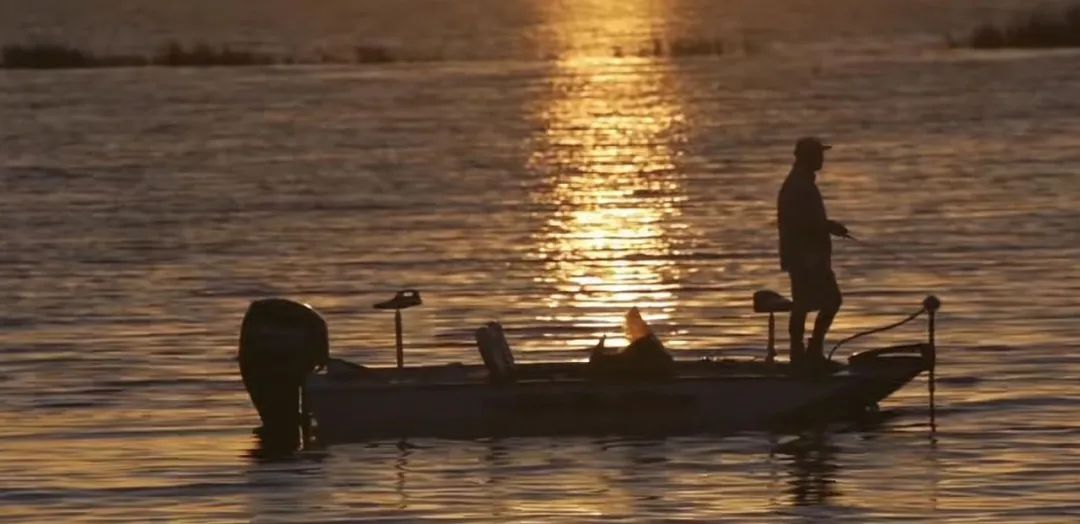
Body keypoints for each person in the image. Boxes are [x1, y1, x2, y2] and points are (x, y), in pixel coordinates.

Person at [777, 137, 848, 366]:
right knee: (822, 302)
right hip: (806, 256)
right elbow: (800, 223)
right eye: (818, 154)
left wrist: (827, 226)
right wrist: (828, 227)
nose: (821, 159)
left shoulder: (802, 182)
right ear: (807, 157)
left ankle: (806, 352)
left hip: (807, 255)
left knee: (806, 303)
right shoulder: (799, 185)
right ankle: (807, 353)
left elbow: (807, 220)